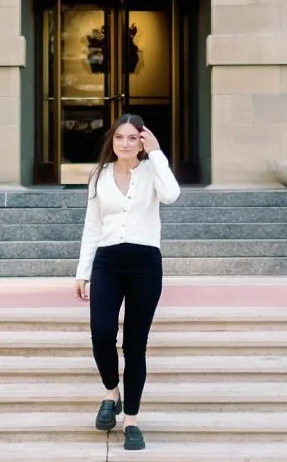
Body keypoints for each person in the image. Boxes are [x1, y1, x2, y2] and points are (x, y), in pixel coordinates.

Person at [73, 113, 181, 452]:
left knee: (135, 346)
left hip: (144, 264)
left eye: (133, 138)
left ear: (142, 141)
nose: (125, 144)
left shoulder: (153, 171)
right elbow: (92, 226)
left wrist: (159, 154)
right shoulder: (100, 176)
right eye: (120, 138)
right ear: (112, 140)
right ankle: (111, 393)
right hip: (107, 261)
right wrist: (83, 271)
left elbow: (172, 195)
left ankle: (131, 420)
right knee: (102, 332)